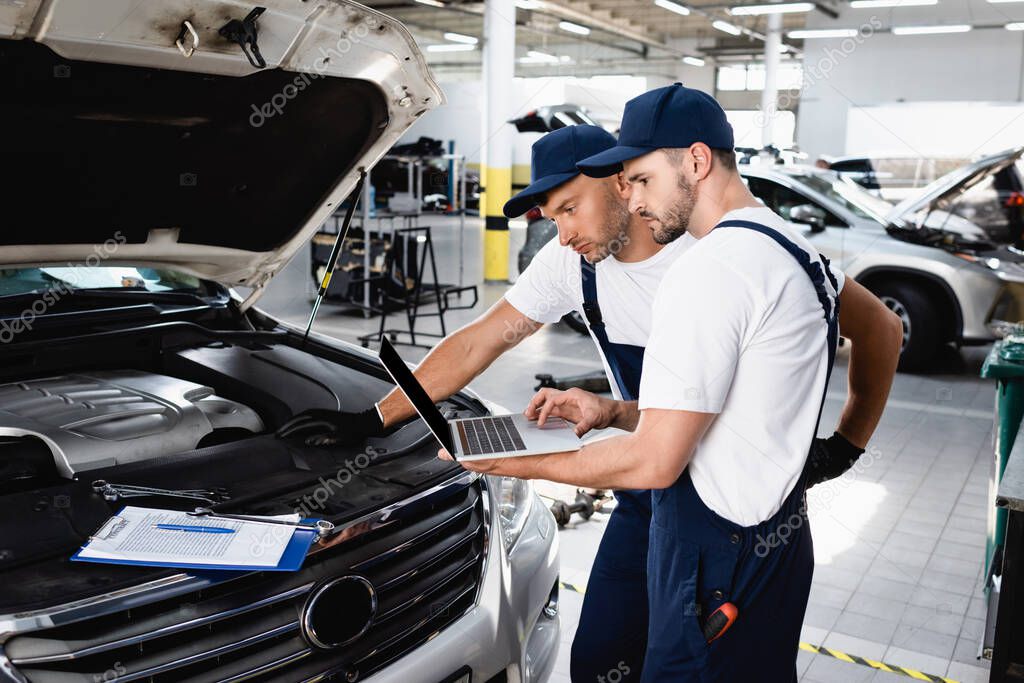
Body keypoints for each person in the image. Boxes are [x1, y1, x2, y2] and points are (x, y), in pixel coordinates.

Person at [436, 84, 903, 682]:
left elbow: (656, 462)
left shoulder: (708, 269)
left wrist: (508, 460)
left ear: (697, 161)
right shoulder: (791, 248)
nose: (634, 198)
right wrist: (611, 410)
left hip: (714, 548)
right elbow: (721, 412)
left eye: (642, 179)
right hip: (767, 535)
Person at [278, 124, 694, 681]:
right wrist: (375, 418)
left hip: (720, 503)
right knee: (600, 660)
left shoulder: (705, 255)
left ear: (620, 183)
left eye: (570, 209)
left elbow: (847, 305)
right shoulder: (573, 265)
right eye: (553, 218)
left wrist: (841, 441)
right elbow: (480, 339)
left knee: (690, 665)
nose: (563, 235)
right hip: (644, 492)